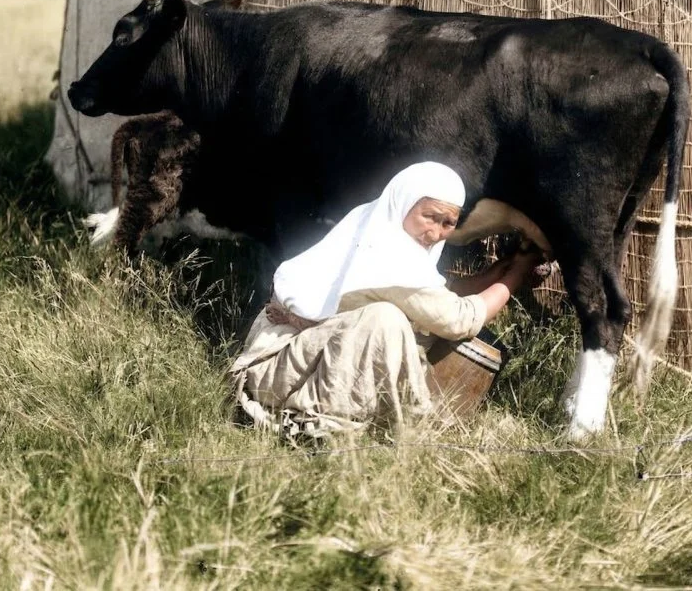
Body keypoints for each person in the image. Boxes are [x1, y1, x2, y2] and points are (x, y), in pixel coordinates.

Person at [228, 161, 544, 438]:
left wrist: (502, 268)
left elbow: (438, 292)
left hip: (299, 363)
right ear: (404, 203)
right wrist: (515, 275)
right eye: (430, 217)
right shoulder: (388, 253)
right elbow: (459, 318)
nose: (435, 233)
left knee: (392, 319)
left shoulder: (375, 226)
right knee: (385, 320)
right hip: (274, 376)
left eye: (448, 223)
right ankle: (315, 422)